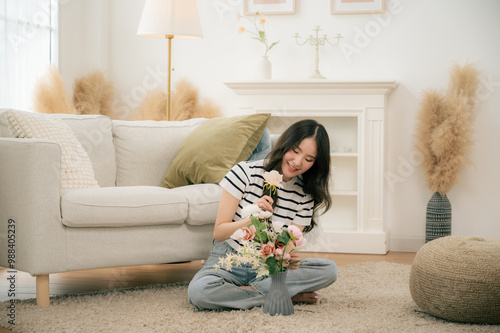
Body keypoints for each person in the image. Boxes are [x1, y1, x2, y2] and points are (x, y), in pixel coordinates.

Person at [188, 119, 338, 311]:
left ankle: (251, 293)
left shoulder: (305, 195)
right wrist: (250, 219)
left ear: (316, 164)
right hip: (229, 259)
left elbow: (288, 244)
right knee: (200, 292)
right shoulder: (244, 172)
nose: (297, 162)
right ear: (285, 145)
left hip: (268, 268)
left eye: (309, 159)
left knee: (328, 270)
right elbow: (219, 232)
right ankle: (279, 294)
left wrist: (285, 256)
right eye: (295, 150)